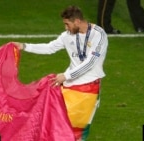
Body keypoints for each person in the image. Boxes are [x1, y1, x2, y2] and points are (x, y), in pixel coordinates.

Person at [13, 5, 108, 141]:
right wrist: (24, 46)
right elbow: (50, 47)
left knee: (76, 130)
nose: (65, 28)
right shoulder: (68, 35)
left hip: (88, 88)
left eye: (67, 24)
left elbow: (90, 62)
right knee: (60, 125)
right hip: (68, 85)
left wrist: (66, 75)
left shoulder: (98, 35)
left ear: (77, 22)